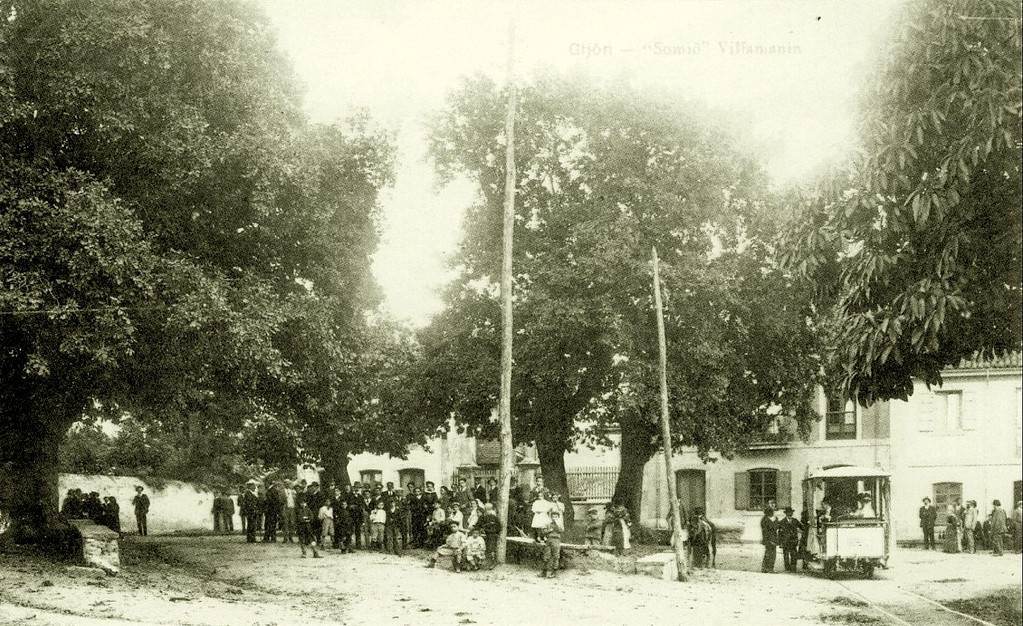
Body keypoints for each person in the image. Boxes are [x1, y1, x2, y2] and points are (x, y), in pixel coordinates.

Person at [478, 502, 502, 568]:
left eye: (488, 509)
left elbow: (499, 527)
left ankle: (492, 562)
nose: (487, 511)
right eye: (486, 509)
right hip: (484, 534)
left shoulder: (494, 517)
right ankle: (482, 561)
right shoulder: (483, 517)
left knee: (491, 548)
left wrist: (492, 531)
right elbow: (478, 525)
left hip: (491, 534)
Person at [760, 507, 778, 573]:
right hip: (769, 539)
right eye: (772, 512)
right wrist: (770, 540)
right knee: (770, 554)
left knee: (770, 553)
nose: (773, 513)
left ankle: (767, 568)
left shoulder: (772, 519)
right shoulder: (765, 520)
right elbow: (765, 531)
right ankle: (768, 568)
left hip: (772, 538)